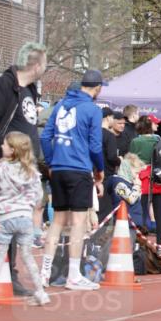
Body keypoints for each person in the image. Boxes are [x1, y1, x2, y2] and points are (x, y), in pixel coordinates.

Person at [0, 41, 48, 296]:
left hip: (26, 166)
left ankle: (9, 273)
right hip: (7, 164)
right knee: (7, 219)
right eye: (44, 63)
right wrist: (1, 154)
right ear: (34, 64)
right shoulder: (4, 86)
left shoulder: (30, 91)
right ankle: (4, 274)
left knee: (19, 218)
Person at [39, 69, 106, 291]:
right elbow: (95, 146)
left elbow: (45, 136)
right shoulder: (92, 110)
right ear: (97, 88)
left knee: (57, 221)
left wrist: (50, 162)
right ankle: (73, 276)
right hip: (79, 169)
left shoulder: (59, 106)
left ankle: (44, 273)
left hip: (58, 168)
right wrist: (100, 170)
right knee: (78, 223)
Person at [0, 132, 49, 306]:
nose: (1, 147)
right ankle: (40, 292)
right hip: (25, 217)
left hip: (5, 217)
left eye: (4, 145)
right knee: (27, 255)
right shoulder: (32, 171)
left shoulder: (1, 168)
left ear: (12, 150)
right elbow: (38, 197)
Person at [130, 115, 161, 251]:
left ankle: (142, 244)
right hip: (158, 177)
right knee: (158, 213)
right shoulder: (159, 140)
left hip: (142, 177)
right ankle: (160, 245)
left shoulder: (135, 141)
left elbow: (131, 161)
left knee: (142, 212)